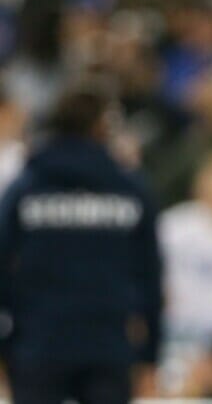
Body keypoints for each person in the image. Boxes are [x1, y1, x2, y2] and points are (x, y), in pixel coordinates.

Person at [0, 79, 163, 403]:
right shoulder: (130, 190)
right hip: (108, 346)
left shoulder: (25, 188)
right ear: (103, 127)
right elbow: (150, 277)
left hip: (38, 344)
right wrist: (149, 355)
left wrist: (6, 344)